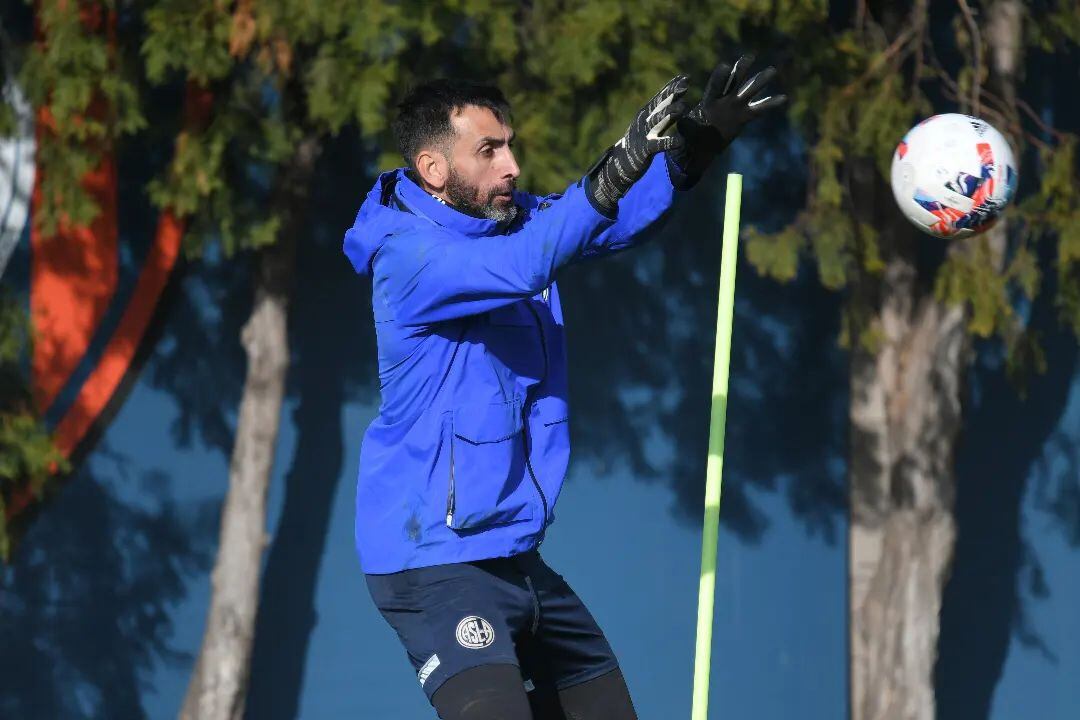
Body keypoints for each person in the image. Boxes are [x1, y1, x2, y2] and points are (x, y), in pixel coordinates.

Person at [342, 55, 785, 720]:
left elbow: (600, 223)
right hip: (432, 561)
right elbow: (526, 263)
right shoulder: (409, 254)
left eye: (509, 145)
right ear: (433, 169)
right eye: (488, 151)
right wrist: (609, 172)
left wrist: (689, 152)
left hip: (513, 554)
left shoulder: (512, 219)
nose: (512, 165)